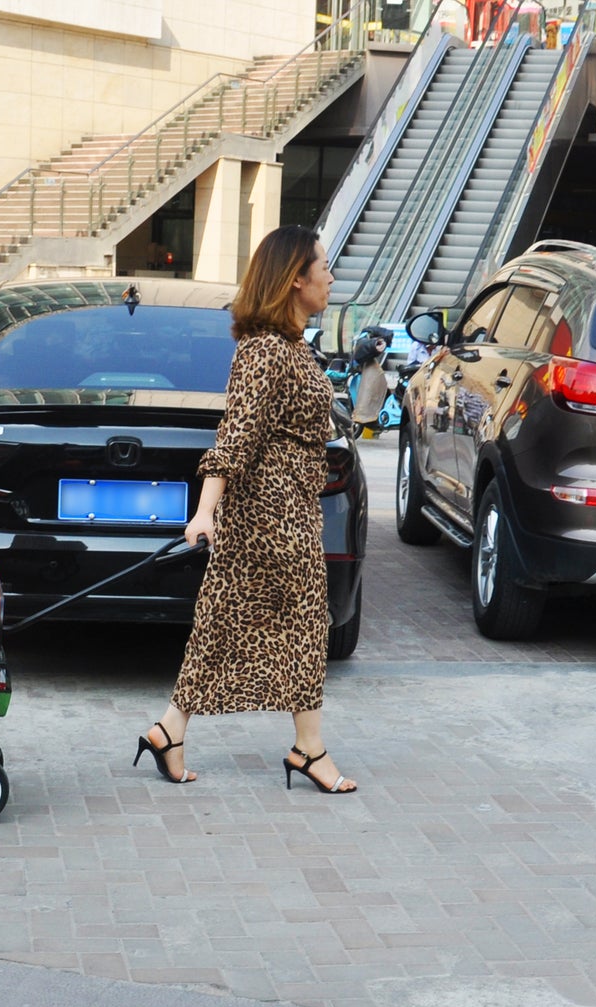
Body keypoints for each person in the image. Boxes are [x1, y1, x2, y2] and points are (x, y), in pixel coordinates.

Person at [135, 225, 357, 795]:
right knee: (305, 624)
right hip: (272, 514)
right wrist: (204, 511)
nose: (332, 277)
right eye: (324, 267)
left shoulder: (287, 347)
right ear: (295, 279)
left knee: (224, 621)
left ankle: (169, 729)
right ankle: (309, 749)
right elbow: (234, 437)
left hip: (283, 507)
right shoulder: (265, 351)